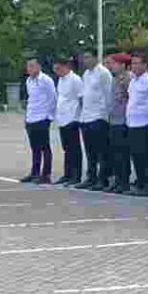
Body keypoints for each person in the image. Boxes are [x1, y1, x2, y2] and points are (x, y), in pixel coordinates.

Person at [123, 51, 148, 194]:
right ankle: (140, 181)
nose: (134, 66)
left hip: (146, 123)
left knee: (147, 155)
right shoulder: (133, 81)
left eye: (137, 63)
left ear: (145, 65)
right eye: (132, 63)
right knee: (136, 155)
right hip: (132, 123)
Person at [77, 50, 115, 191]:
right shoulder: (86, 74)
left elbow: (108, 96)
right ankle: (91, 177)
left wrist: (106, 116)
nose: (85, 60)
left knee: (102, 152)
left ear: (95, 58)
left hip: (99, 117)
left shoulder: (103, 73)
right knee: (90, 151)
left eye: (87, 57)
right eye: (83, 58)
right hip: (86, 117)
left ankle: (102, 179)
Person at [51, 57, 85, 185]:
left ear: (66, 67)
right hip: (62, 119)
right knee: (67, 149)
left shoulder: (75, 79)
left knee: (74, 148)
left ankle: (76, 176)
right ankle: (67, 174)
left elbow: (81, 98)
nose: (56, 72)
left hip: (73, 118)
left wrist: (80, 116)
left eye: (58, 69)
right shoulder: (61, 79)